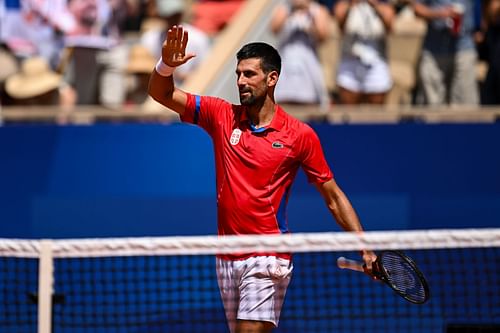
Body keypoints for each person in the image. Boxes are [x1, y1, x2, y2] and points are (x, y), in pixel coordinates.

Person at [148, 26, 376, 333]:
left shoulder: (299, 135)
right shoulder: (221, 114)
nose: (240, 81)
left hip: (268, 255)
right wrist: (166, 66)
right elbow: (161, 93)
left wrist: (365, 247)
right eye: (239, 74)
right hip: (226, 257)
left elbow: (332, 196)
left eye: (249, 75)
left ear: (272, 79)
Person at [412, 0, 480, 106]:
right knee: (432, 105)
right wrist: (440, 14)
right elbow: (417, 8)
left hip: (464, 48)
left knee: (465, 106)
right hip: (434, 50)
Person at [270, 0, 331, 109]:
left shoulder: (317, 10)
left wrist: (309, 14)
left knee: (310, 102)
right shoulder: (284, 9)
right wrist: (291, 10)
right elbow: (274, 29)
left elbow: (323, 36)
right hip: (286, 61)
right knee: (282, 102)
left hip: (308, 63)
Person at [333, 0, 396, 104]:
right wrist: (351, 5)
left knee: (375, 111)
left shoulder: (384, 6)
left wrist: (374, 5)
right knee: (348, 111)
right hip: (350, 62)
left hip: (376, 62)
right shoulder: (345, 5)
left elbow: (390, 27)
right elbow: (340, 25)